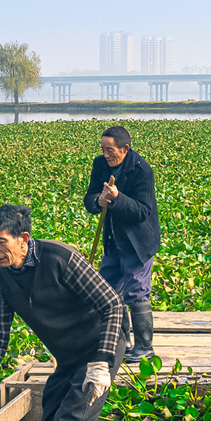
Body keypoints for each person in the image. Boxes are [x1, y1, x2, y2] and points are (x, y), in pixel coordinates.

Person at [0, 205, 127, 421]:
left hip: (99, 345)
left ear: (23, 239)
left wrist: (102, 362)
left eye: (1, 242)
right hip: (68, 356)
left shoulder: (60, 257)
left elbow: (112, 304)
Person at [83, 125, 160, 362]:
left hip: (138, 242)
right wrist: (99, 199)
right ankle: (122, 341)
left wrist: (117, 199)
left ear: (125, 148)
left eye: (110, 150)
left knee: (136, 292)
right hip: (113, 240)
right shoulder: (100, 165)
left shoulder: (140, 170)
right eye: (103, 149)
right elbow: (89, 199)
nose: (106, 155)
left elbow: (142, 212)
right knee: (106, 291)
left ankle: (145, 346)